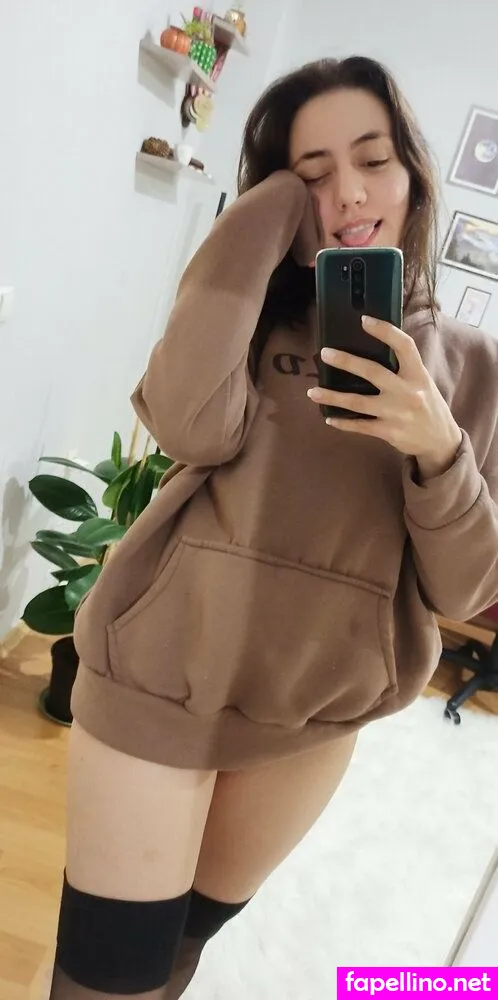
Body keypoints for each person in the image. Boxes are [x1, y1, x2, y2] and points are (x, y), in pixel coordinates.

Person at [48, 55, 498, 999]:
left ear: (415, 175)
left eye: (372, 160)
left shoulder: (474, 368)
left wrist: (437, 447)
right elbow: (187, 428)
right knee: (106, 977)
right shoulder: (248, 312)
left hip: (313, 712)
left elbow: (465, 589)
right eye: (312, 172)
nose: (349, 193)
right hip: (164, 677)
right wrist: (266, 215)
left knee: (180, 952)